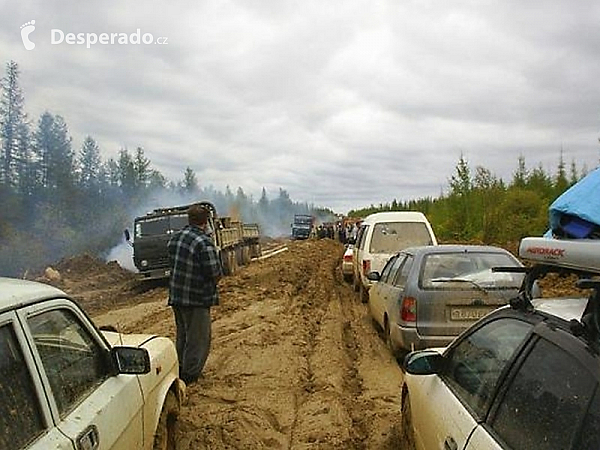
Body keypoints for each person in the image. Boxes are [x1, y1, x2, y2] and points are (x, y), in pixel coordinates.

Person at [167, 203, 223, 384]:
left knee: (183, 336)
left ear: (189, 219)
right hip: (197, 298)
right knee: (198, 340)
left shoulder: (175, 238)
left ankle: (180, 369)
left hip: (177, 297)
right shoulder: (204, 242)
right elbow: (214, 272)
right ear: (206, 221)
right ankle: (189, 377)